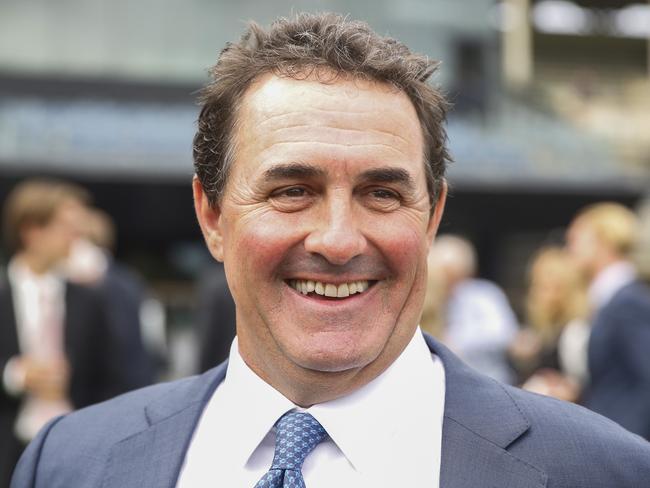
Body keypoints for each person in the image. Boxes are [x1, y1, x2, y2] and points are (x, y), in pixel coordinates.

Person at [12, 13, 650, 488]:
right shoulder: (71, 461)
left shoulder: (604, 472)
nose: (340, 241)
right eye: (292, 190)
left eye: (381, 194)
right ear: (211, 216)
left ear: (433, 219)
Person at [0, 180, 129, 487]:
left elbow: (111, 377)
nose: (77, 237)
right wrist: (15, 375)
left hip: (74, 447)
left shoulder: (91, 298)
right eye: (67, 227)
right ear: (33, 231)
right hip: (9, 446)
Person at [566, 202, 650, 440]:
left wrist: (634, 447)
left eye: (577, 237)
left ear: (604, 241)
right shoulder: (608, 298)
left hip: (625, 442)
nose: (570, 245)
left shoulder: (629, 301)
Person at [426, 235, 518, 384]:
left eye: (455, 275)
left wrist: (455, 343)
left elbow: (504, 333)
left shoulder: (484, 294)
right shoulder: (428, 298)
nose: (449, 282)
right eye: (445, 274)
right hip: (444, 383)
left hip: (491, 380)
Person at [509, 246, 590, 401]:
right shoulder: (545, 331)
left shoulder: (575, 332)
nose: (535, 293)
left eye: (543, 287)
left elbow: (580, 387)